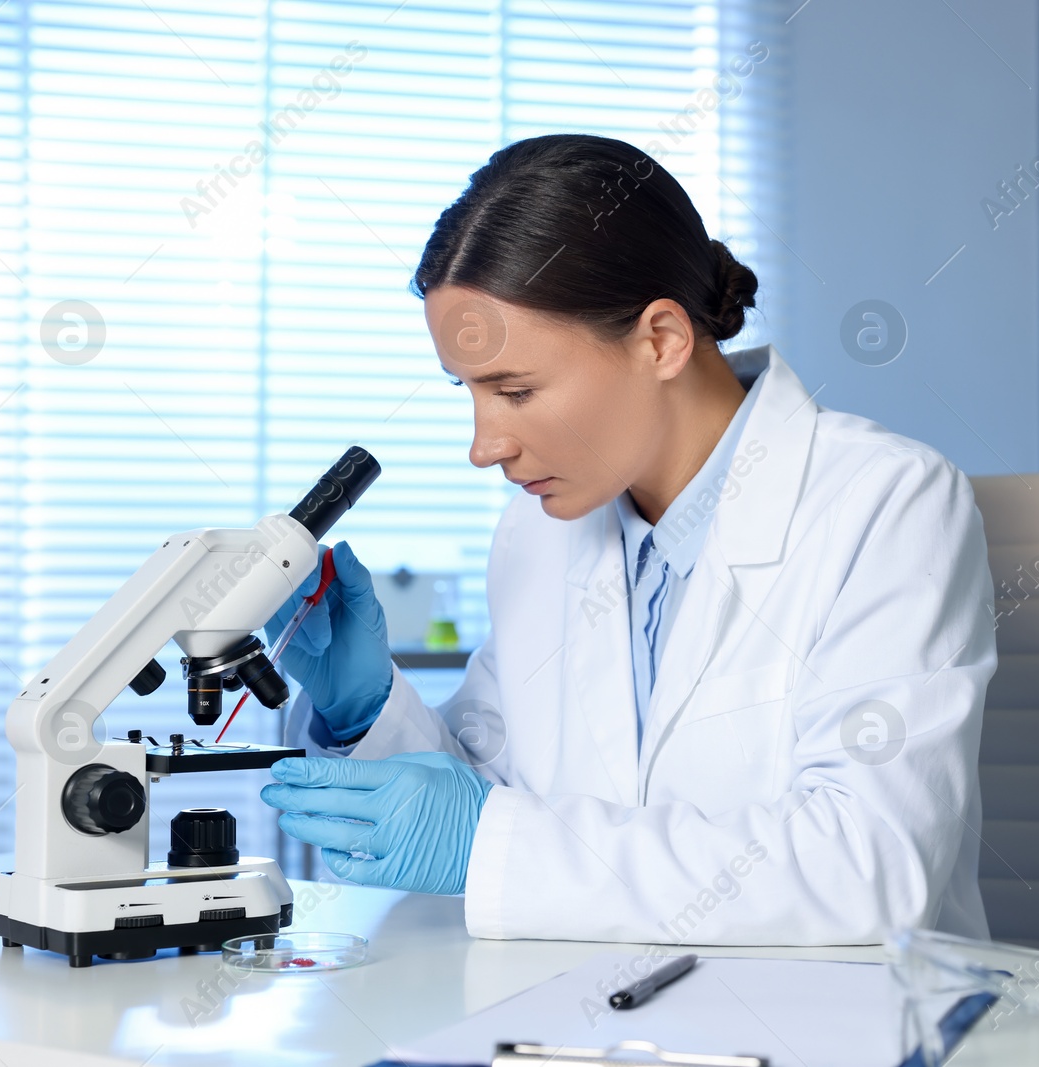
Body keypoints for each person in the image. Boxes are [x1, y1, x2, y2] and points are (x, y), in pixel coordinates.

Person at [259, 133, 997, 945]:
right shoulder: (539, 534)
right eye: (468, 392)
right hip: (579, 1016)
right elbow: (488, 797)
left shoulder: (884, 502)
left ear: (662, 340)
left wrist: (487, 840)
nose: (484, 444)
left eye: (517, 389)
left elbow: (867, 866)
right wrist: (367, 709)